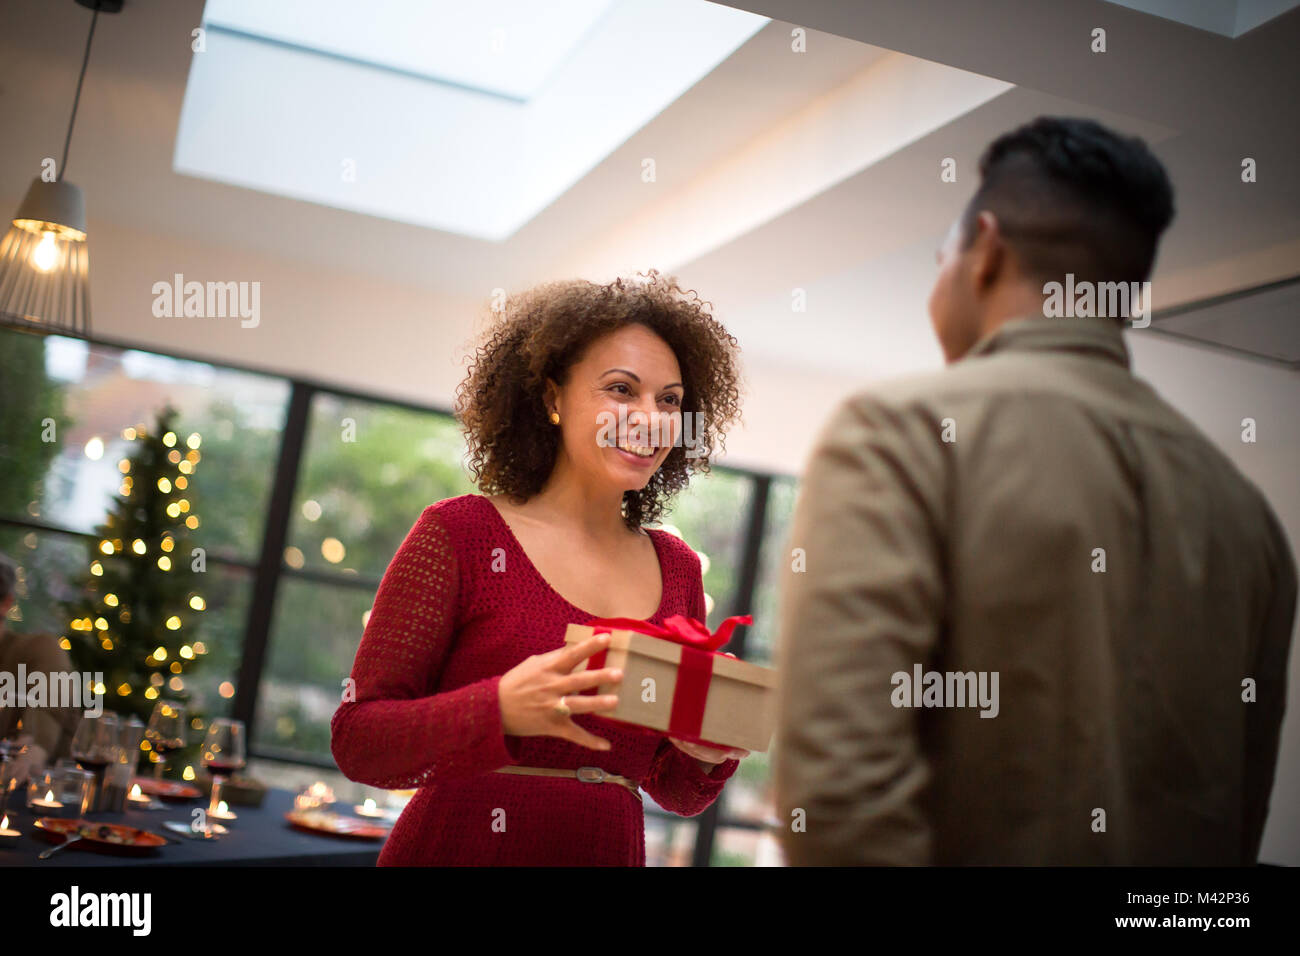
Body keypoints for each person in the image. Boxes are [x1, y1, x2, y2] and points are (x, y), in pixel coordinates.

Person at [774, 116, 1298, 865]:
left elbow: (838, 798)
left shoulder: (902, 433)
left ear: (985, 249)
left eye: (939, 257)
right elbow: (1238, 825)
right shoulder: (1248, 517)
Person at [331, 270, 748, 865]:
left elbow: (671, 788)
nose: (650, 417)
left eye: (670, 400)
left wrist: (706, 752)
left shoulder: (678, 569)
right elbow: (359, 741)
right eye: (621, 389)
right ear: (552, 398)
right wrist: (498, 706)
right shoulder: (461, 534)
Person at [0, 552, 82, 783]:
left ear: (6, 603)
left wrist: (28, 754)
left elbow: (45, 719)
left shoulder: (39, 649)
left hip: (34, 800)